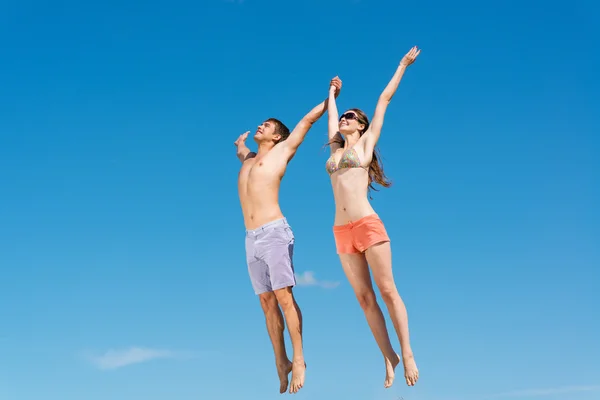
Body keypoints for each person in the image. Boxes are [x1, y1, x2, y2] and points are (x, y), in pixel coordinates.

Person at [234, 77, 342, 394]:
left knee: (284, 297)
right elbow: (242, 153)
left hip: (274, 233)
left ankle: (299, 358)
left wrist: (330, 97)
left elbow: (308, 121)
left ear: (278, 135)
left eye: (267, 125)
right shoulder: (249, 159)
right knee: (266, 304)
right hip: (251, 239)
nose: (261, 126)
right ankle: (280, 362)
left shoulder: (282, 152)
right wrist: (240, 146)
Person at [324, 46, 421, 388]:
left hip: (367, 224)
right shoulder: (336, 151)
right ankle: (388, 356)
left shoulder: (364, 147)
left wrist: (401, 66)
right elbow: (331, 119)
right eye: (343, 116)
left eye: (351, 116)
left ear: (362, 125)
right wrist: (332, 94)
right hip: (341, 230)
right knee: (364, 299)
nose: (344, 119)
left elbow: (384, 100)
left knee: (387, 290)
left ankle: (407, 352)